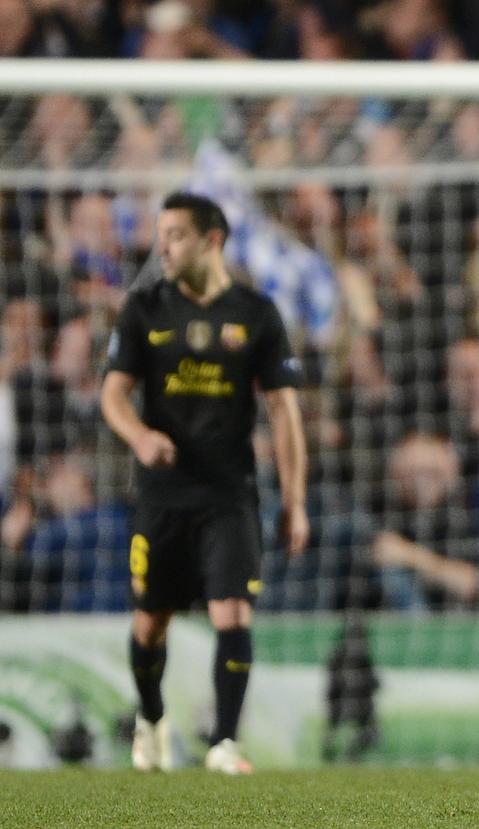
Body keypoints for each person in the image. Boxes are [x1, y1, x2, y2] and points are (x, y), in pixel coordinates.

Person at [100, 192, 309, 774]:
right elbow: (112, 394)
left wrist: (295, 500)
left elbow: (285, 412)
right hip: (162, 495)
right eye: (161, 235)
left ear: (211, 240)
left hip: (229, 494)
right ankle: (151, 719)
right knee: (151, 622)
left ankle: (223, 743)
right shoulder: (143, 309)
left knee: (233, 613)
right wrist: (140, 437)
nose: (162, 247)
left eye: (175, 236)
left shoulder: (256, 314)